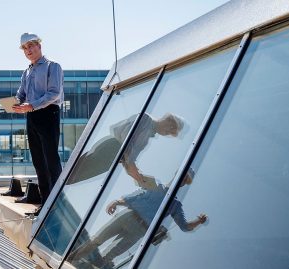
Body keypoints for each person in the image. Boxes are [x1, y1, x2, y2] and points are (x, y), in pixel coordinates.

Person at [68, 171, 207, 268]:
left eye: (185, 179)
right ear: (177, 173)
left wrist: (199, 221)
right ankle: (69, 261)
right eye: (182, 175)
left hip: (140, 229)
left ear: (185, 183)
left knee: (109, 256)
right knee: (96, 240)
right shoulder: (156, 185)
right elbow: (136, 196)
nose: (182, 179)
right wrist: (117, 201)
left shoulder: (176, 205)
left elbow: (185, 226)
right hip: (127, 216)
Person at [11, 33, 63, 214]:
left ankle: (57, 203)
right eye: (25, 48)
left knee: (51, 159)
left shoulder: (52, 66)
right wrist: (15, 102)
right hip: (31, 116)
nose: (28, 50)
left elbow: (54, 93)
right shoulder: (27, 71)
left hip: (48, 114)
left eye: (31, 46)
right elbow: (21, 94)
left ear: (39, 46)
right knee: (38, 161)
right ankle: (45, 204)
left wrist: (31, 105)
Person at [68, 112, 185, 186]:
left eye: (171, 133)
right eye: (171, 129)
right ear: (168, 120)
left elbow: (128, 152)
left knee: (77, 176)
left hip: (113, 154)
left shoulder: (149, 128)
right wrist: (132, 166)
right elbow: (127, 142)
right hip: (111, 151)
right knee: (75, 175)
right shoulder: (146, 120)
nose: (168, 133)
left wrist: (135, 171)